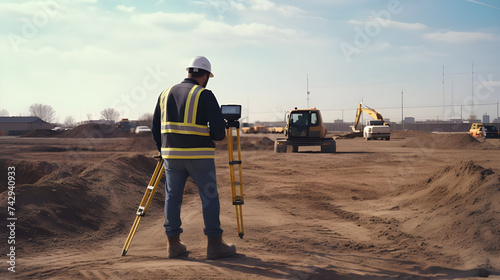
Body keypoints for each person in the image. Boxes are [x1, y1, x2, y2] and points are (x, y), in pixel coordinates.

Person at [151, 56, 236, 259]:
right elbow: (218, 134)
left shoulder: (164, 94)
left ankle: (173, 245)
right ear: (205, 76)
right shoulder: (204, 94)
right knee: (209, 197)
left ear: (189, 72)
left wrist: (163, 151)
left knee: (172, 197)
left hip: (171, 157)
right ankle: (214, 245)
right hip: (200, 158)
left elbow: (155, 129)